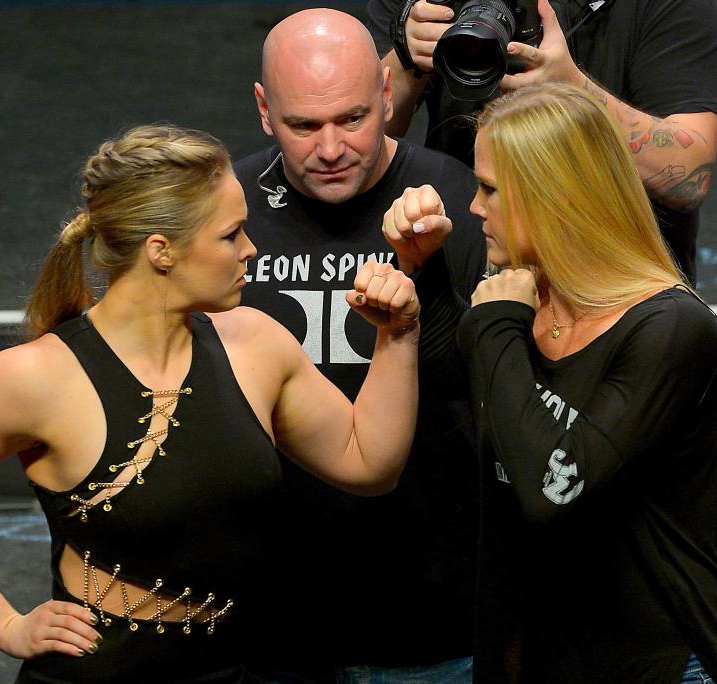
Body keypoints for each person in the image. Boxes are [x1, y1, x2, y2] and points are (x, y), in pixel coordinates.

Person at [0, 125, 423, 683]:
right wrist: (5, 625)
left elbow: (368, 463)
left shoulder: (255, 343)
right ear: (161, 251)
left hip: (237, 670)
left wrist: (398, 334)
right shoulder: (33, 378)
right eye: (231, 235)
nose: (251, 250)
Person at [383, 83, 717, 682]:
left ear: (553, 196)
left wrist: (497, 324)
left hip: (656, 666)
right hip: (545, 657)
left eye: (490, 189)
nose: (475, 209)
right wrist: (422, 272)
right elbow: (461, 382)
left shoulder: (668, 328)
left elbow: (554, 489)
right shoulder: (528, 300)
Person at [233, 8, 486, 682]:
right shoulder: (226, 215)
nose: (331, 147)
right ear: (264, 109)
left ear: (384, 91)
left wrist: (425, 280)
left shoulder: (462, 201)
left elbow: (499, 383)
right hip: (270, 628)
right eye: (303, 125)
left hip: (434, 619)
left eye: (351, 118)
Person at [368, 0, 717, 283]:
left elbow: (689, 175)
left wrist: (574, 89)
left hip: (611, 293)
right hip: (466, 276)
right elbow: (353, 137)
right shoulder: (427, 3)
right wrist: (405, 59)